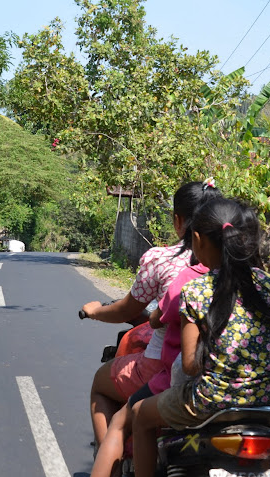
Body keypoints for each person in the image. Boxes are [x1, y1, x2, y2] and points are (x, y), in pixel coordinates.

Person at [104, 197, 270, 477]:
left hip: (210, 401)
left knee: (139, 415)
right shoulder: (269, 285)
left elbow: (192, 366)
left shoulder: (196, 290)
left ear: (197, 240)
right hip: (268, 402)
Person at [55, 260, 209, 477]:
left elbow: (181, 356)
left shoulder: (190, 282)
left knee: (132, 414)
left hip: (188, 384)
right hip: (259, 394)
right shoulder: (261, 285)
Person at [80, 180, 221, 457]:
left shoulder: (164, 261)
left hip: (165, 366)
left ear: (178, 221)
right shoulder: (237, 265)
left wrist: (95, 311)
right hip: (223, 366)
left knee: (100, 384)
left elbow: (129, 311)